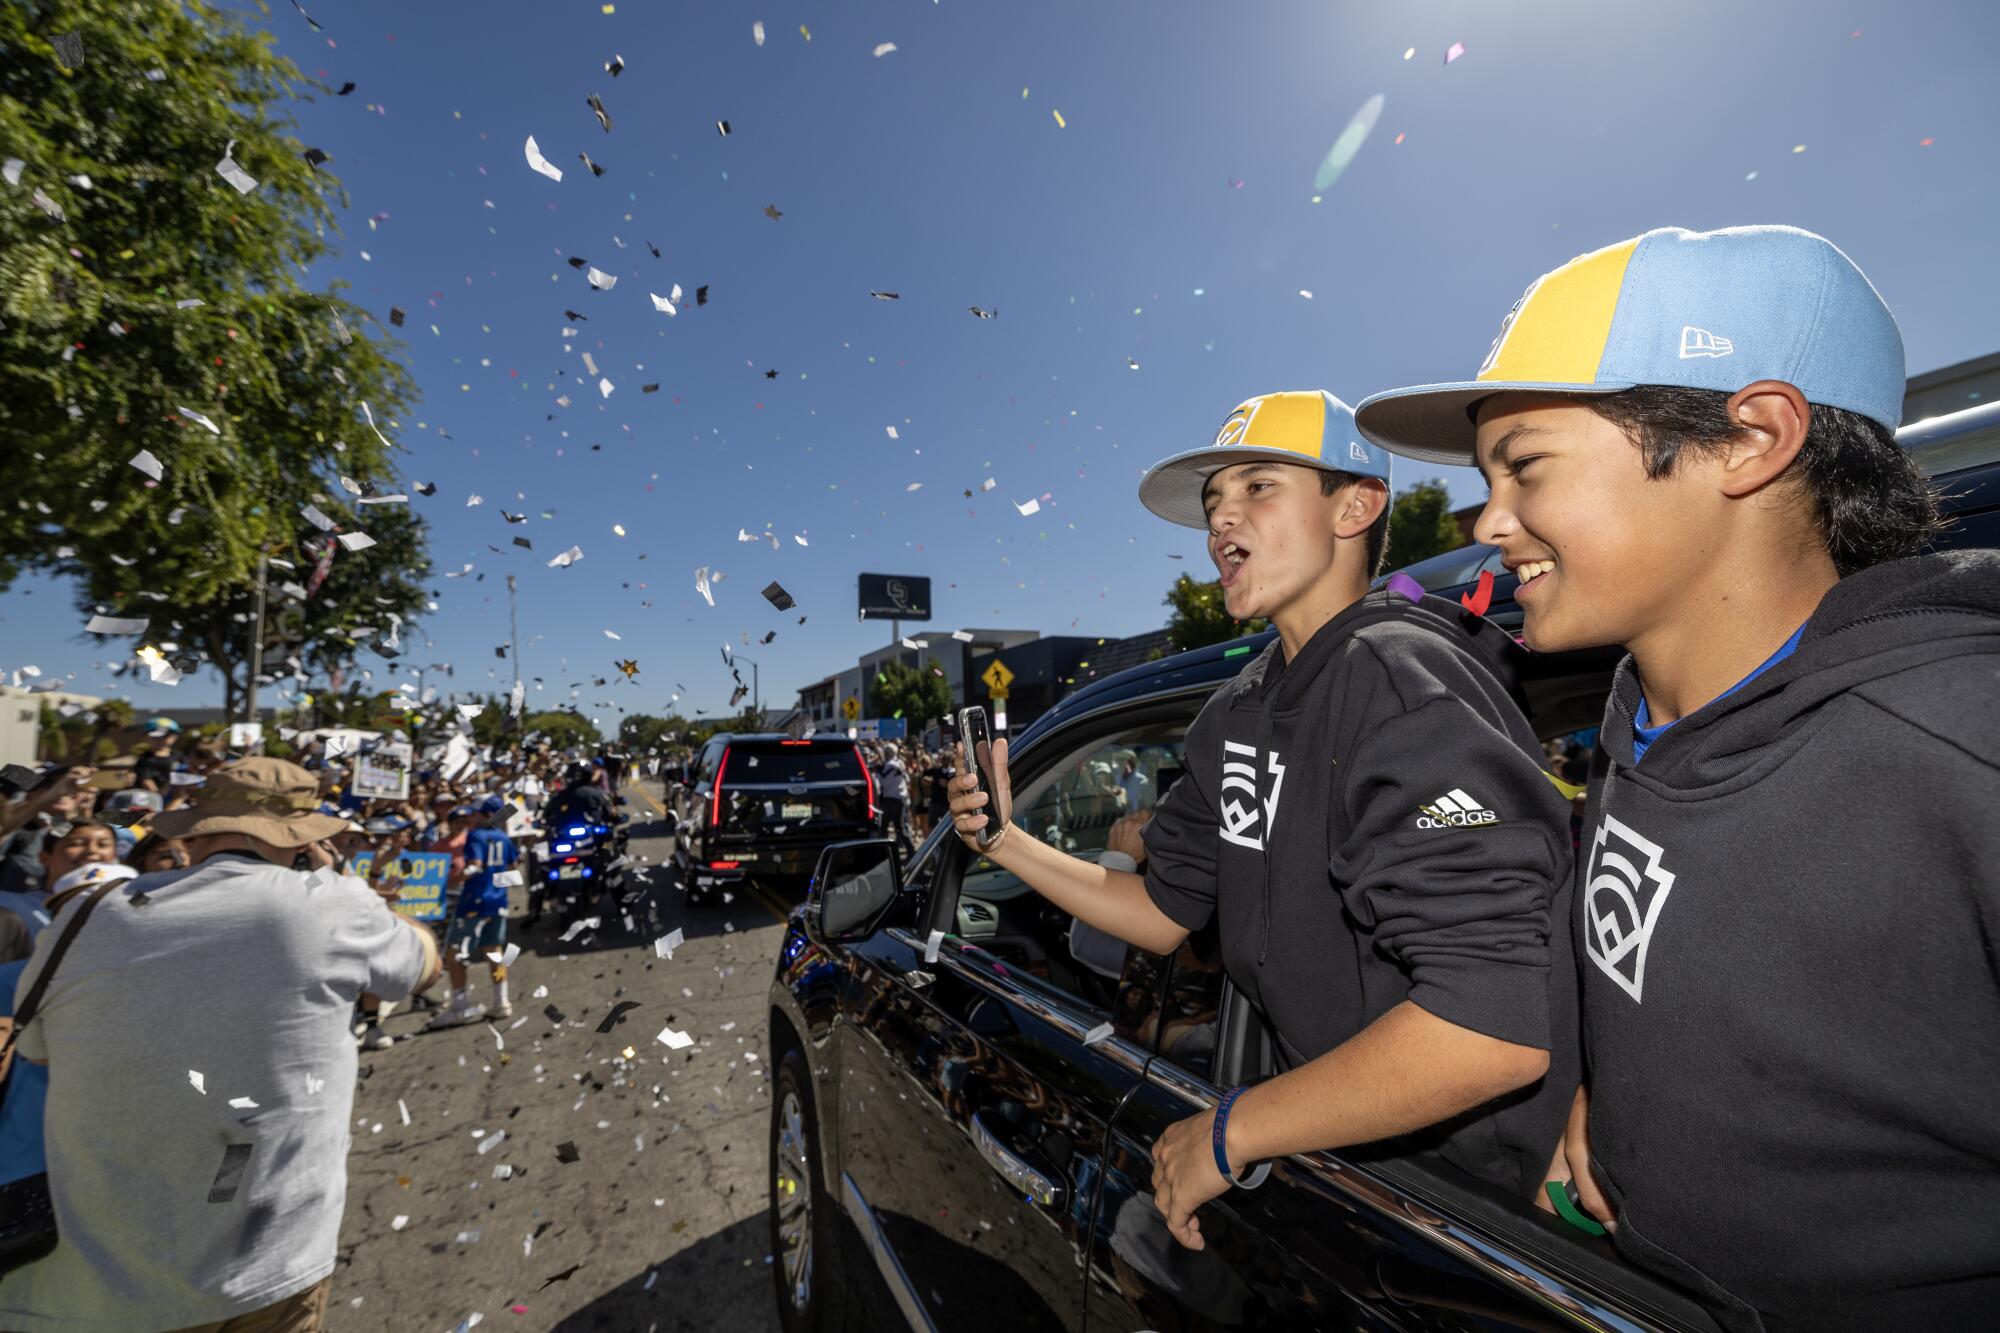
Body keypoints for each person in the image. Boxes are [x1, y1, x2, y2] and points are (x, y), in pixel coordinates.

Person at [1354, 224, 2000, 1330]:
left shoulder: (1957, 744)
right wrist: (1622, 1098)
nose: (1487, 522)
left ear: (1748, 439)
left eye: (1525, 465)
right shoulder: (1638, 721)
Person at [950, 389, 1577, 1252]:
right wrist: (1003, 841)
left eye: (1256, 487)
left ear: (1355, 506)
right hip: (1339, 1173)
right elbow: (1165, 914)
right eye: (1213, 504)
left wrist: (1232, 1129)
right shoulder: (1236, 711)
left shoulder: (1400, 679)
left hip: (1468, 1207)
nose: (1220, 520)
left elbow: (1491, 1026)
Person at [0, 757, 439, 1331]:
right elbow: (422, 964)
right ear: (300, 837)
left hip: (91, 1282)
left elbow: (37, 1050)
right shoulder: (332, 903)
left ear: (199, 831)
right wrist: (346, 884)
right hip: (265, 1267)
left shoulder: (84, 914)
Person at [429, 796, 518, 1027]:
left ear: (485, 815)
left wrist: (458, 880)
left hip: (472, 903)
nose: (472, 818)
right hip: (497, 903)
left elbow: (474, 865)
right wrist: (493, 888)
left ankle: (460, 1007)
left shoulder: (476, 836)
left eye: (476, 814)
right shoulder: (504, 838)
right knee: (494, 952)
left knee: (455, 953)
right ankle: (501, 1001)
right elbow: (512, 873)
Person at [0, 819, 118, 953]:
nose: (91, 850)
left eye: (103, 845)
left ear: (114, 856)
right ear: (44, 858)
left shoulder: (122, 908)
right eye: (76, 844)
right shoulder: (7, 904)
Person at [875, 746, 911, 854]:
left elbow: (882, 782)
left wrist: (877, 772)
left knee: (883, 826)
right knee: (900, 827)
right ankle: (910, 849)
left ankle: (884, 851)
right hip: (901, 798)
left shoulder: (890, 765)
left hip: (892, 799)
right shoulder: (900, 763)